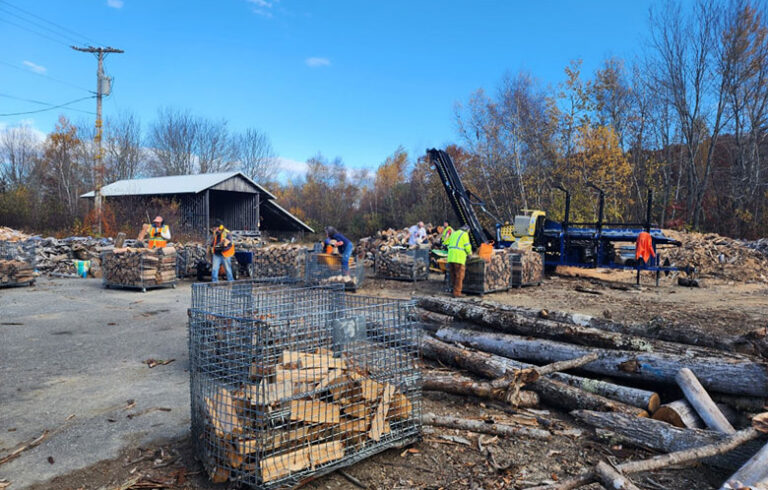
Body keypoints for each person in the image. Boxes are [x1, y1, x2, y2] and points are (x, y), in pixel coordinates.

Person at [446, 224, 472, 297]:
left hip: (451, 257)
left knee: (453, 275)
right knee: (459, 276)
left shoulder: (454, 233)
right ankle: (457, 293)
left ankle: (454, 290)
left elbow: (448, 243)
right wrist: (469, 253)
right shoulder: (464, 234)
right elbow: (467, 245)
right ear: (467, 230)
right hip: (459, 258)